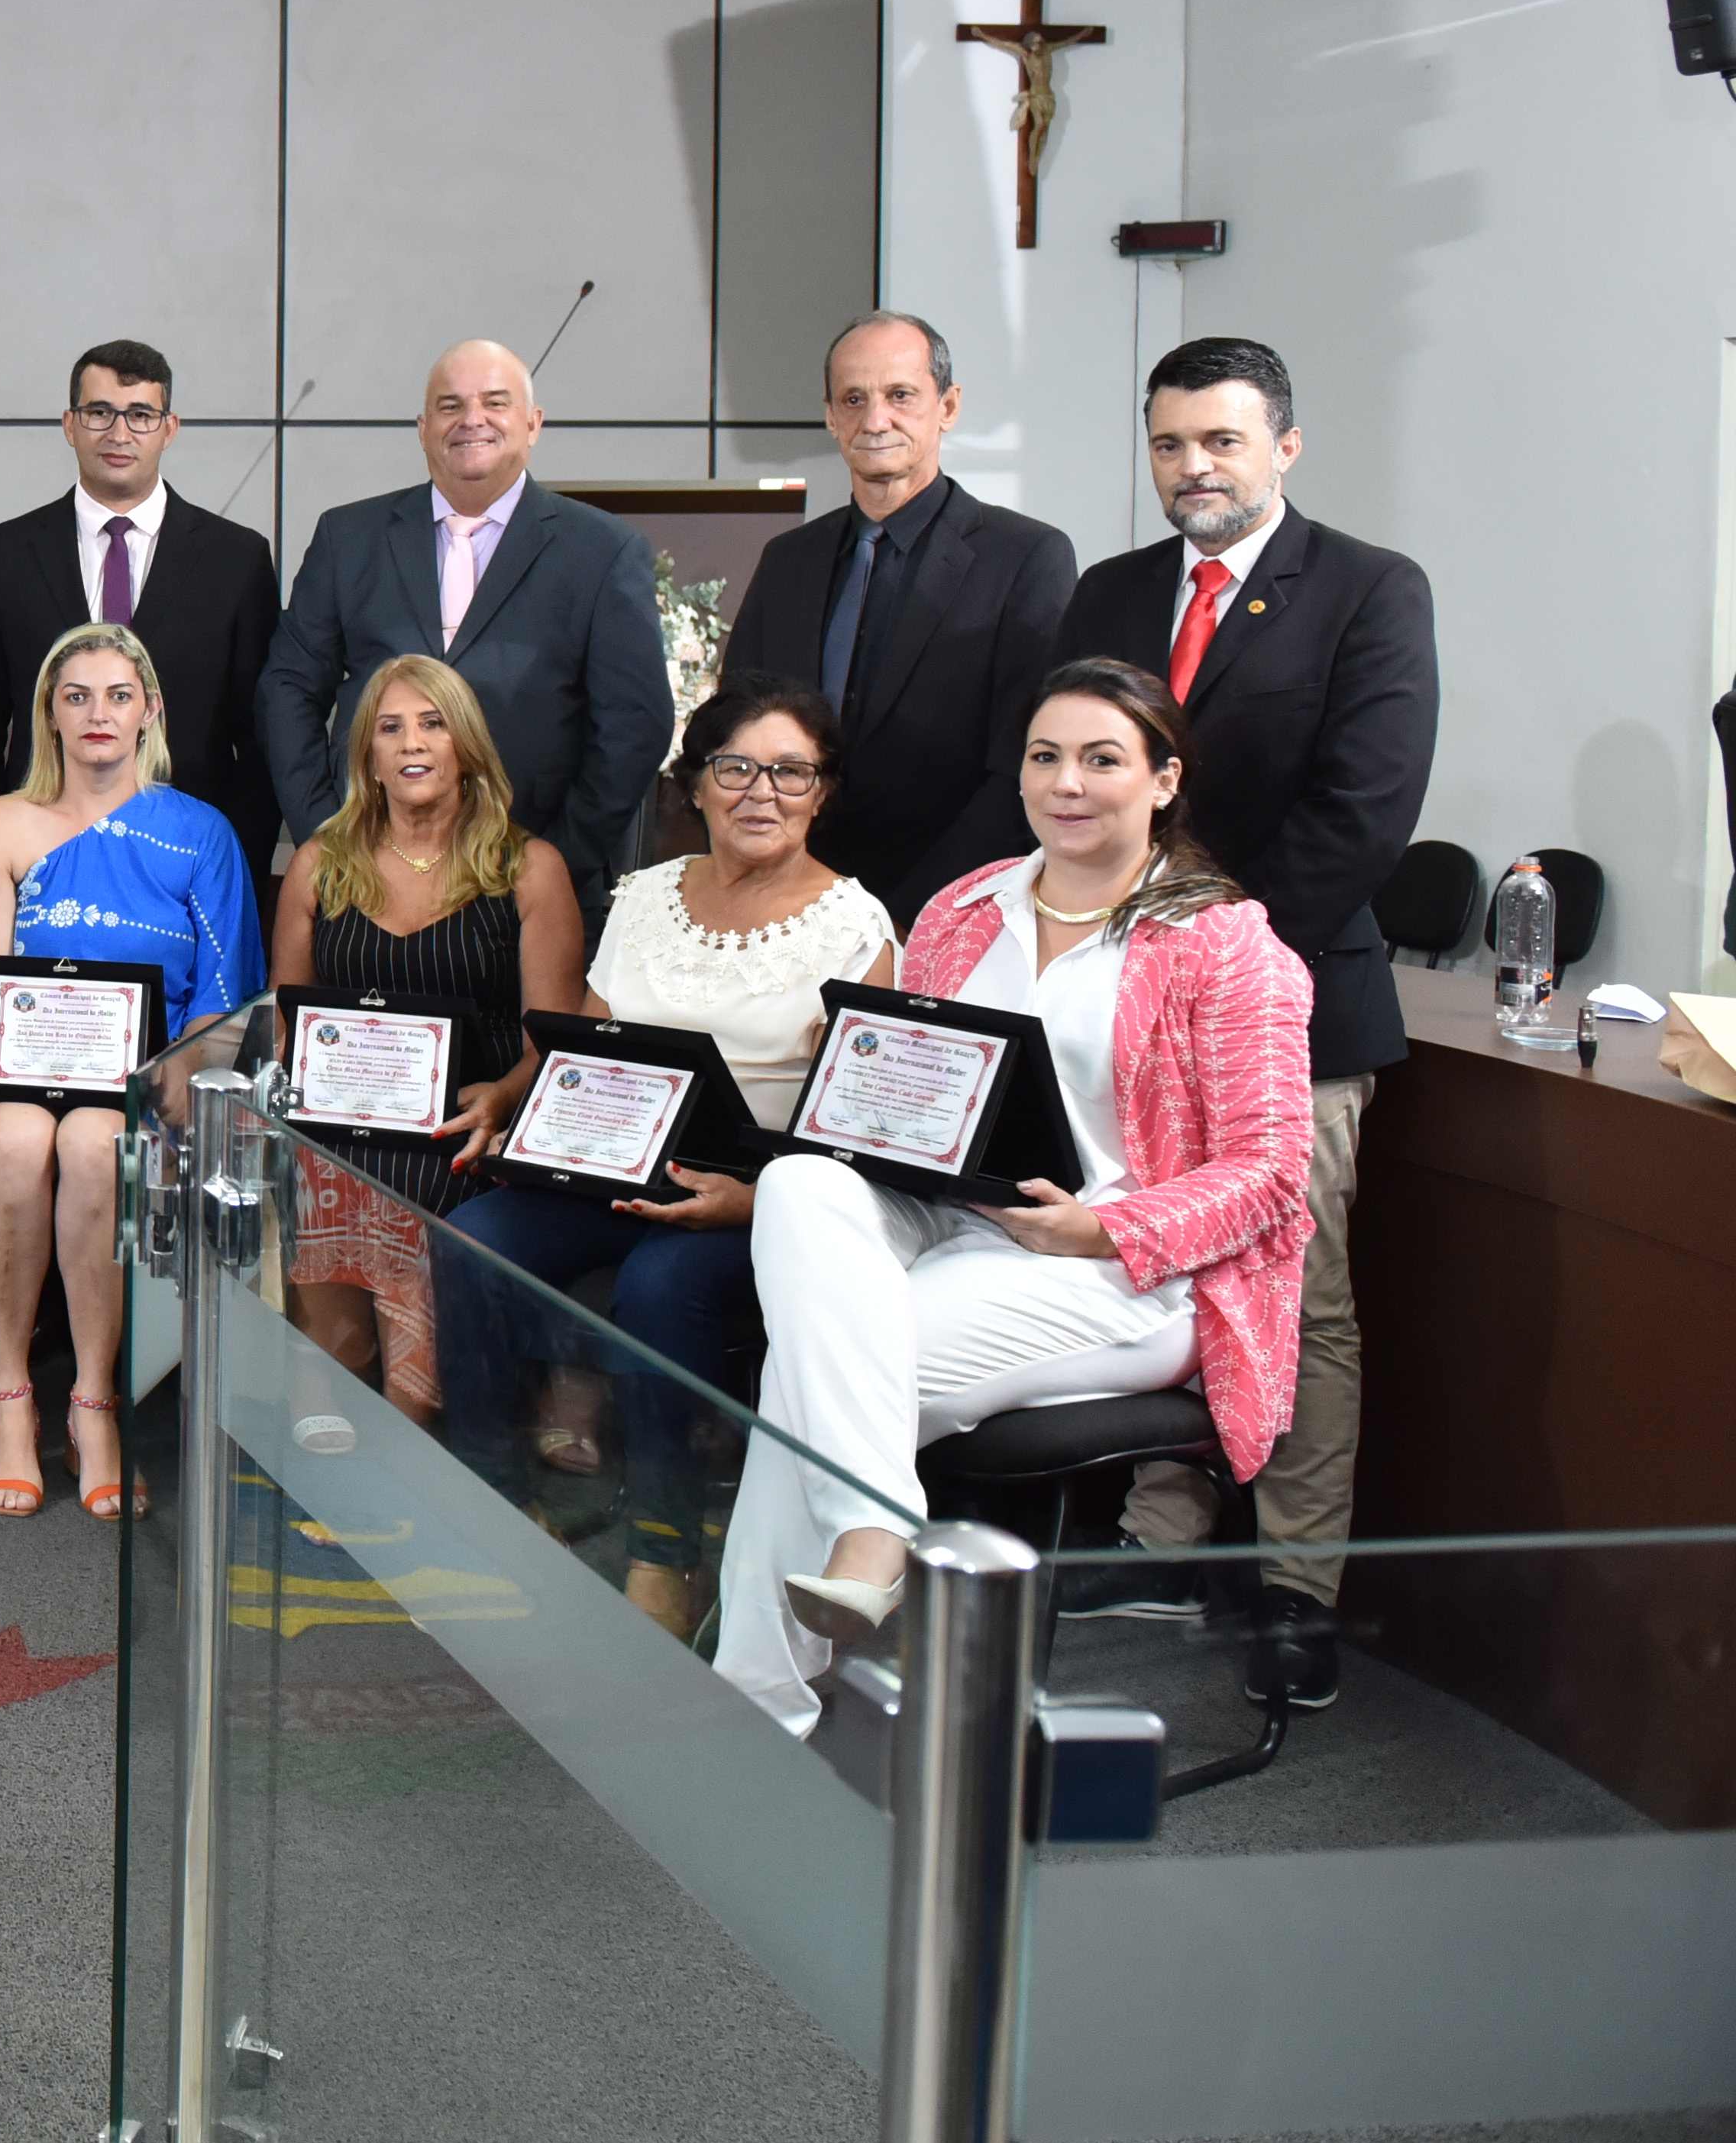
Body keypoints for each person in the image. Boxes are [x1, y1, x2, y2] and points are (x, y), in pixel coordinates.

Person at [710, 658, 1317, 1740]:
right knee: (802, 1181)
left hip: (1124, 1270)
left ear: (1165, 780)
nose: (1067, 784)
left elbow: (1269, 1175)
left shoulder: (1225, 943)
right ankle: (870, 1527)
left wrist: (1101, 1225)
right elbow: (918, 1081)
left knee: (822, 1369)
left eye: (1101, 760)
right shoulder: (963, 908)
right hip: (955, 1218)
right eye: (1046, 757)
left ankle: (756, 1701)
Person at [1050, 336, 1436, 1702]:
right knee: (1154, 1269)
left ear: (1284, 444)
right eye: (1168, 445)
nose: (1191, 468)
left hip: (1295, 1016)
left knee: (1298, 1300)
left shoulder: (1368, 590)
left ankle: (1293, 1587)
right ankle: (1162, 1540)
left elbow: (1364, 810)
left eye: (1219, 441)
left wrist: (1206, 959)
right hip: (1120, 1016)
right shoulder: (1106, 592)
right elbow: (1072, 789)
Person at [432, 674, 894, 1638]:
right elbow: (592, 1038)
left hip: (761, 1186)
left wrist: (751, 1196)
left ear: (824, 791)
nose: (760, 791)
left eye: (790, 772)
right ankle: (499, 1498)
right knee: (473, 1236)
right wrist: (542, 1124)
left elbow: (861, 1124)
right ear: (695, 782)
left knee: (659, 1286)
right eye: (735, 766)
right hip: (618, 1156)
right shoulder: (643, 895)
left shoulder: (858, 923)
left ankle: (665, 1546)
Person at [0, 622, 263, 1521]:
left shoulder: (201, 832)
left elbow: (224, 1002)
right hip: (23, 1071)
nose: (98, 713)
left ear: (150, 708)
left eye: (118, 694)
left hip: (144, 1089)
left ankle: (92, 1400)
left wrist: (174, 1078)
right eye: (75, 695)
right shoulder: (1, 821)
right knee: (9, 1137)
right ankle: (9, 1397)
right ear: (50, 713)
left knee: (90, 1140)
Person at [264, 655, 589, 1414]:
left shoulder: (527, 867)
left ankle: (406, 1422)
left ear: (464, 746)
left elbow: (557, 1035)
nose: (412, 742)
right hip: (342, 1121)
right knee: (317, 1177)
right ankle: (333, 1411)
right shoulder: (319, 864)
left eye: (432, 722)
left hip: (466, 1127)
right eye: (390, 727)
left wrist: (502, 1098)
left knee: (407, 1185)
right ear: (368, 757)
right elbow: (287, 1015)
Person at [255, 338, 673, 910]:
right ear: (423, 428)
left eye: (495, 403)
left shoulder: (603, 550)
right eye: (450, 406)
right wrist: (326, 837)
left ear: (533, 424)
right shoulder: (348, 538)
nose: (472, 420)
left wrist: (547, 868)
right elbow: (287, 688)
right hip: (364, 886)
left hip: (531, 885)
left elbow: (635, 724)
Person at [720, 312, 1077, 917]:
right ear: (831, 416)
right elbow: (736, 729)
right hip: (786, 902)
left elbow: (1022, 761)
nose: (874, 419)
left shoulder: (1026, 557)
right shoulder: (788, 559)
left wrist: (922, 913)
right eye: (853, 399)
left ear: (949, 406)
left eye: (900, 396)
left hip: (952, 908)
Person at [0, 338, 280, 871]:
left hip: (188, 857)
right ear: (69, 424)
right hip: (39, 852)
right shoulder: (4, 553)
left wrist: (235, 860)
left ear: (169, 429)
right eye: (99, 412)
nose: (119, 433)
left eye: (141, 415)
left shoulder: (236, 559)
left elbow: (263, 734)